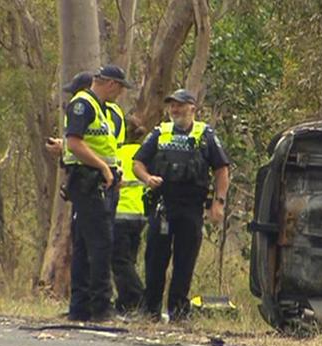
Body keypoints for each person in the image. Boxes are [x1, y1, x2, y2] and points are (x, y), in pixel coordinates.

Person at [133, 88, 230, 321]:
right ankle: (150, 310)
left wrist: (218, 203)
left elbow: (221, 170)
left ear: (192, 108)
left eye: (179, 105)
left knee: (184, 262)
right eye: (172, 105)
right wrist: (147, 178)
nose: (174, 109)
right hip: (163, 205)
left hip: (191, 207)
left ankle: (178, 311)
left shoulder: (205, 134)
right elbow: (138, 163)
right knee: (155, 259)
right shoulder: (160, 132)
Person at [63, 65, 132, 322]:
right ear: (112, 84)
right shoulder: (83, 104)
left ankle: (80, 307)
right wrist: (103, 166)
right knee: (101, 244)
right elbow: (74, 142)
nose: (121, 94)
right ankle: (101, 307)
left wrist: (113, 170)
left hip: (101, 181)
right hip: (88, 181)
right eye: (121, 88)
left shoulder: (103, 108)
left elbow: (104, 145)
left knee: (83, 244)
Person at [112, 125, 147, 313]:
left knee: (119, 260)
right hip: (140, 214)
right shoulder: (144, 154)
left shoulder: (116, 153)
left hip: (120, 213)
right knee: (129, 260)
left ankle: (138, 297)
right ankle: (125, 301)